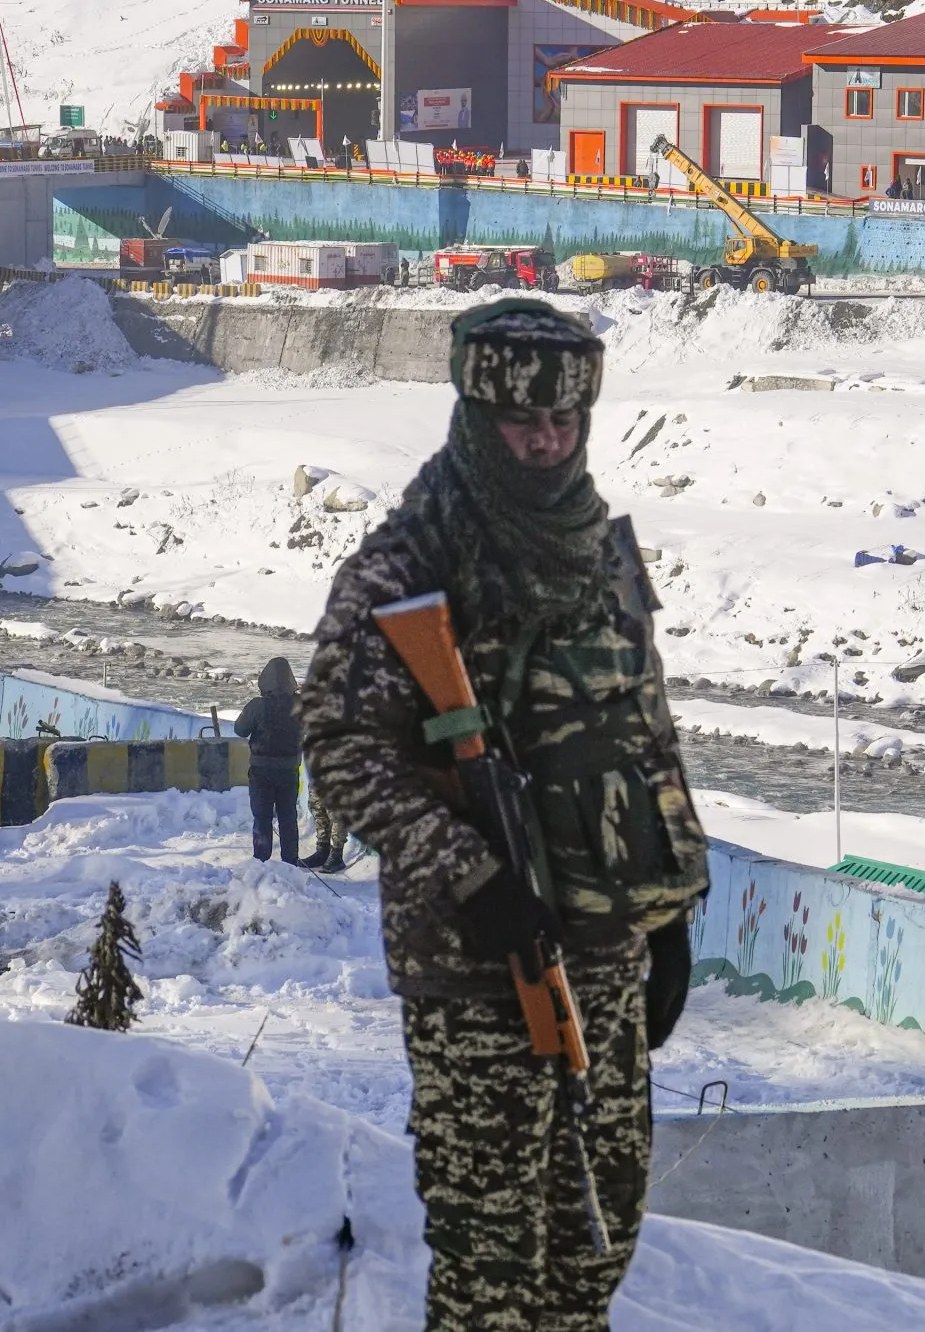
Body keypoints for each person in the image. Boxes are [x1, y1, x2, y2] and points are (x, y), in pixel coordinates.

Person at [302, 298, 710, 1330]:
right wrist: (468, 873)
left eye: (565, 424)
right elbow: (340, 750)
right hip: (477, 965)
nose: (547, 443)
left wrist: (669, 915)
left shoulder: (597, 553)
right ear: (478, 421)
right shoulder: (402, 569)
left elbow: (641, 731)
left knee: (597, 1233)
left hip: (607, 949)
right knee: (492, 1260)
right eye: (525, 425)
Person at [234, 658, 305, 864]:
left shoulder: (258, 705)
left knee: (262, 819)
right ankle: (290, 864)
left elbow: (240, 730)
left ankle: (261, 863)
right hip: (290, 770)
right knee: (288, 819)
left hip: (261, 771)